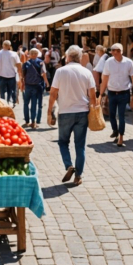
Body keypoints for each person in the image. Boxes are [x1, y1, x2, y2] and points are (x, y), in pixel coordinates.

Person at [48, 45, 97, 187]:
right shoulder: (86, 72)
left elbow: (53, 93)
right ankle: (78, 176)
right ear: (80, 58)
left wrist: (49, 111)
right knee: (80, 146)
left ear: (67, 57)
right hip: (82, 112)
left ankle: (69, 165)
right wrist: (93, 110)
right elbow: (92, 95)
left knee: (63, 142)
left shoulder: (60, 71)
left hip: (65, 112)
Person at [100, 43, 133, 147]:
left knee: (121, 115)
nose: (115, 52)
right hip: (112, 92)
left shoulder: (128, 62)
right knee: (111, 114)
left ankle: (121, 136)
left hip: (124, 92)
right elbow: (105, 79)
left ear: (121, 51)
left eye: (117, 50)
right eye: (113, 50)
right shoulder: (108, 62)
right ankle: (115, 130)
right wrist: (101, 93)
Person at [20, 48, 49, 128]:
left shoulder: (25, 63)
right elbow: (43, 73)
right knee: (34, 103)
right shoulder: (41, 63)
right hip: (37, 86)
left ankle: (26, 120)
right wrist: (46, 82)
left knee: (26, 103)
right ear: (37, 54)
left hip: (28, 85)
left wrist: (22, 84)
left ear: (29, 54)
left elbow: (23, 76)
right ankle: (33, 122)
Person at [0, 40, 21, 106]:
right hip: (12, 75)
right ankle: (11, 102)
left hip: (1, 75)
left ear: (3, 45)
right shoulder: (14, 54)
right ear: (9, 46)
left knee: (2, 91)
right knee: (11, 90)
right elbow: (19, 65)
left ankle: (3, 103)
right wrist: (20, 74)